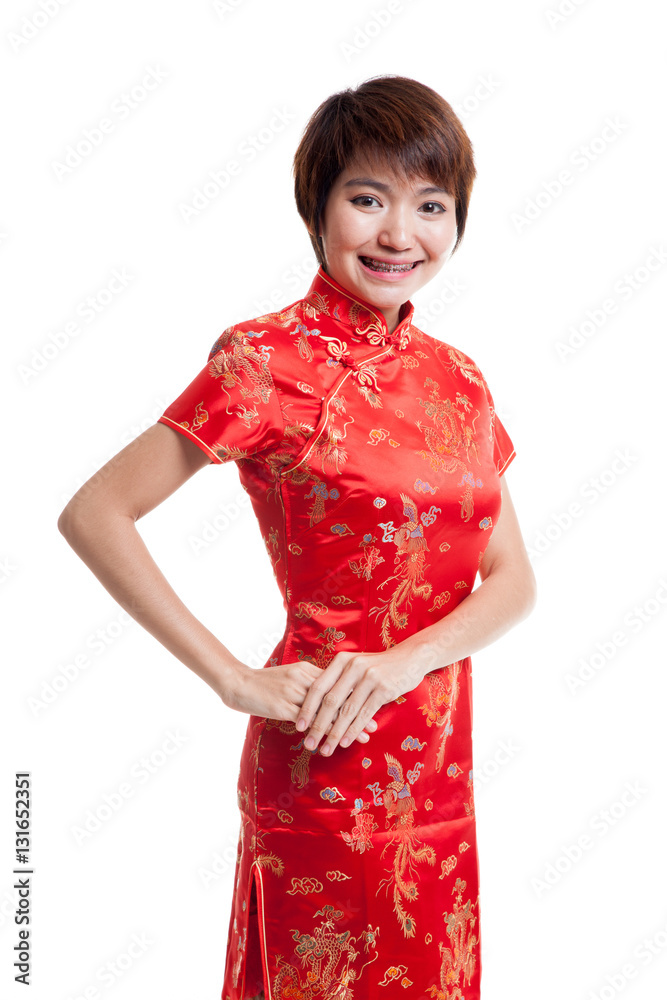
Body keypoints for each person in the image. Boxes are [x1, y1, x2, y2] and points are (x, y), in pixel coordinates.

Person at [58, 74, 536, 1000]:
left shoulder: (460, 379)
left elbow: (512, 579)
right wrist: (235, 679)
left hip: (440, 776)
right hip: (321, 763)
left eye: (430, 206)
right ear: (316, 207)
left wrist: (405, 662)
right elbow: (94, 514)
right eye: (368, 199)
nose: (400, 234)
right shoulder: (265, 360)